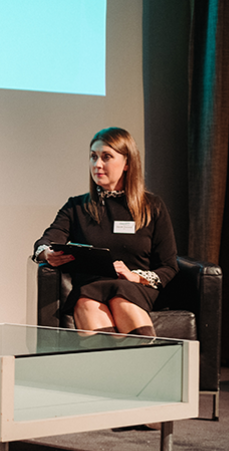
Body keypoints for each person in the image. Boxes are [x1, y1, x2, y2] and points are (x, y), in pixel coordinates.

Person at [32, 127, 178, 336]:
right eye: (93, 157)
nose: (97, 164)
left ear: (127, 163)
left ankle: (146, 362)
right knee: (86, 303)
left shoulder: (152, 206)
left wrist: (135, 277)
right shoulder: (76, 207)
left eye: (106, 157)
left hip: (135, 287)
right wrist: (48, 254)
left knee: (120, 299)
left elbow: (168, 266)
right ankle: (108, 367)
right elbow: (45, 242)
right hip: (91, 288)